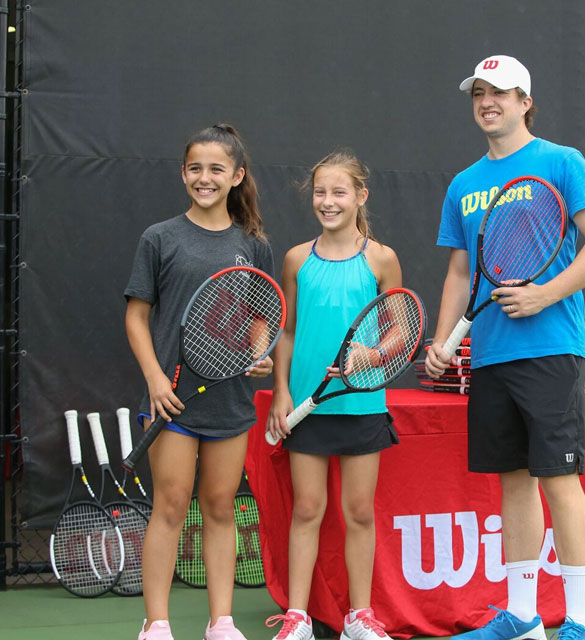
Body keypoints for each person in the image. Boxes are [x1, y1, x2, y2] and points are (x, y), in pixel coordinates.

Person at [425, 56, 585, 640]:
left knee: (559, 480)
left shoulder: (562, 162)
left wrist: (544, 294)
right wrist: (443, 339)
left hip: (551, 348)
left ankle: (580, 621)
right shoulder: (463, 185)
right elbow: (460, 271)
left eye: (501, 93)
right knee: (513, 481)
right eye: (479, 94)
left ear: (525, 102)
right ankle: (522, 617)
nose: (488, 102)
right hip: (490, 355)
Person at [124, 124, 275, 640]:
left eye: (216, 169)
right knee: (169, 507)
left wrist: (260, 352)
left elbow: (261, 315)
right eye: (195, 168)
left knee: (219, 508)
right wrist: (154, 380)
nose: (204, 178)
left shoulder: (253, 244)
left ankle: (221, 623)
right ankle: (156, 624)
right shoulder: (160, 238)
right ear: (183, 173)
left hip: (230, 402)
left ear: (237, 175)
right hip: (171, 402)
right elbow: (136, 317)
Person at [265, 149, 401, 640]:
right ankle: (298, 618)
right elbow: (286, 331)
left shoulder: (381, 259)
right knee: (306, 509)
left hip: (362, 404)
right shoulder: (296, 259)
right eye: (320, 192)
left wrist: (372, 355)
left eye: (339, 192)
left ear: (360, 196)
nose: (328, 201)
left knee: (359, 512)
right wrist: (281, 392)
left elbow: (400, 332)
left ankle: (358, 618)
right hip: (308, 407)